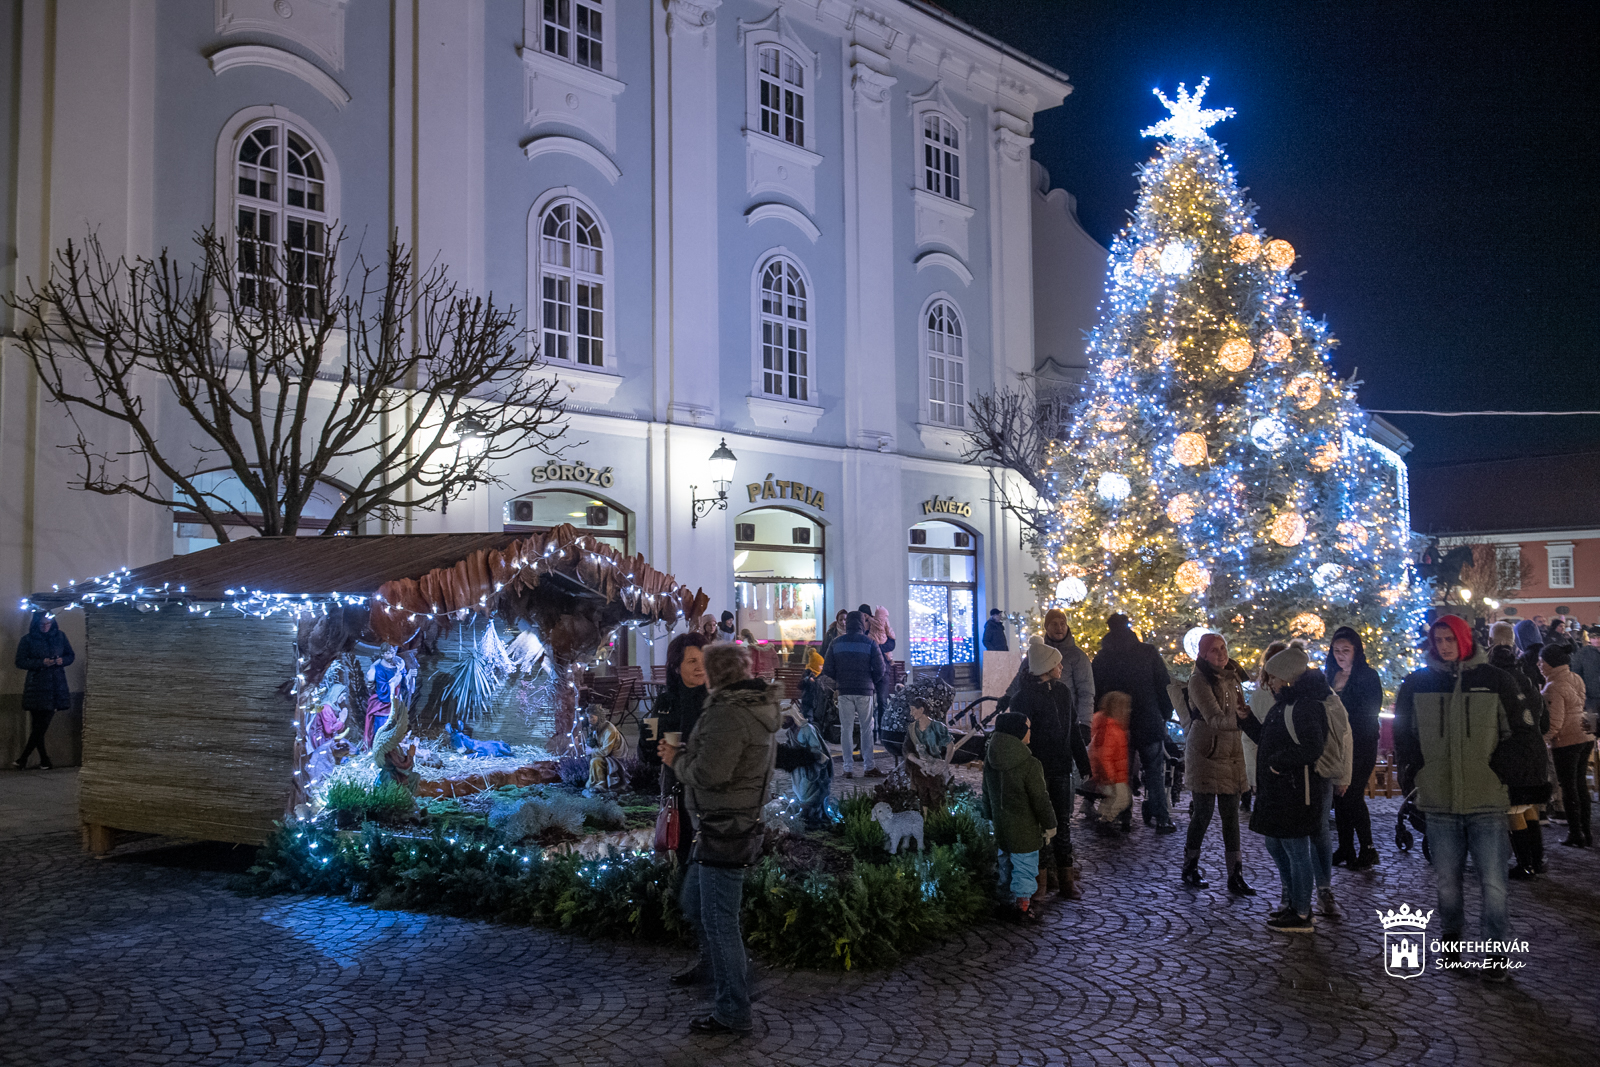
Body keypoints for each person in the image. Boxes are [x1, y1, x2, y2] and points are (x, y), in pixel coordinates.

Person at [659, 642, 780, 1036]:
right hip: (723, 824)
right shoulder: (742, 706)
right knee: (695, 902)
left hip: (725, 827)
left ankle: (733, 1006)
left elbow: (712, 772)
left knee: (719, 919)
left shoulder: (730, 713)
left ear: (716, 673)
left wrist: (675, 760)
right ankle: (722, 969)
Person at [1394, 615, 1522, 981]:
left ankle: (1496, 954)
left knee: (1494, 883)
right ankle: (1452, 947)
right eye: (1439, 639)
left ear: (1464, 639)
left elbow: (1517, 736)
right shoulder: (1418, 683)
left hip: (1486, 799)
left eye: (1450, 638)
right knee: (1446, 883)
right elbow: (1405, 738)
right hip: (1439, 800)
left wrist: (1502, 777)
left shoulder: (1494, 680)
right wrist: (1414, 777)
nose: (1445, 645)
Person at [1237, 646, 1329, 934]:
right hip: (1279, 789)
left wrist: (1278, 763)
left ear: (1287, 678)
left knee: (1295, 848)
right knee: (1276, 843)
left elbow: (1312, 747)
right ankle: (1294, 903)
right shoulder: (1286, 704)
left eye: (1273, 677)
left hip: (1294, 790)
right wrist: (1247, 719)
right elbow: (1268, 737)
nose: (1269, 683)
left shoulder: (1304, 706)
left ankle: (1301, 911)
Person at [1009, 636, 1092, 900]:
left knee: (1063, 823)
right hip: (1037, 769)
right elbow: (1018, 737)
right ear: (1046, 666)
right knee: (1041, 826)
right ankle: (1042, 882)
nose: (1062, 667)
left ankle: (1066, 881)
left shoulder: (1062, 692)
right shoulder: (1023, 698)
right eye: (1057, 663)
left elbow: (1073, 731)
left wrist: (1083, 763)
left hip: (1061, 768)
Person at [1180, 633, 1254, 896]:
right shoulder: (1198, 681)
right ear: (1202, 655)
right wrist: (1244, 723)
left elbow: (1238, 709)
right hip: (1207, 752)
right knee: (1203, 812)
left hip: (1232, 751)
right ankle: (1190, 866)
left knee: (1231, 816)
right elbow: (1213, 717)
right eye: (1214, 650)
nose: (1221, 654)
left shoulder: (1233, 676)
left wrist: (1245, 718)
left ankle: (1235, 874)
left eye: (1223, 648)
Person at [1092, 613, 1177, 833]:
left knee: (1122, 773)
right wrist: (1165, 712)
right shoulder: (1147, 652)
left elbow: (1096, 691)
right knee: (1154, 772)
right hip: (1148, 719)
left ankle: (1124, 816)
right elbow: (1163, 684)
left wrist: (1099, 719)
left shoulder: (1102, 658)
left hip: (1117, 723)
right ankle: (1162, 818)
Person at [980, 712, 1057, 924]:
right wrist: (1050, 825)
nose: (1030, 732)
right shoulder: (1030, 764)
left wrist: (988, 817)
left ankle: (1005, 903)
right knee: (1025, 868)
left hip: (1001, 827)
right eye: (1028, 728)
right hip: (1025, 830)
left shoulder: (991, 758)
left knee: (1005, 866)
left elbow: (986, 791)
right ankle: (1023, 908)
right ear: (1018, 732)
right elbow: (1040, 799)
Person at [641, 632, 710, 864]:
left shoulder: (716, 702)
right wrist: (649, 739)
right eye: (692, 661)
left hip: (707, 795)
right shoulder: (666, 702)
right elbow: (648, 756)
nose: (701, 667)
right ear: (676, 667)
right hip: (676, 796)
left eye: (704, 660)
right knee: (681, 855)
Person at [1326, 627, 1385, 871]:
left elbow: (1370, 711)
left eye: (1346, 651)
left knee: (1352, 793)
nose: (1341, 655)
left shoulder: (1368, 676)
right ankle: (1345, 846)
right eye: (1337, 650)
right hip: (1336, 745)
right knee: (1339, 796)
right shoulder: (1330, 675)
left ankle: (1368, 847)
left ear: (1356, 651)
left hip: (1361, 743)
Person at [1541, 643, 1594, 848]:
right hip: (1585, 735)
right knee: (1580, 785)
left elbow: (1555, 723)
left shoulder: (1552, 687)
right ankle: (1586, 831)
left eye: (1542, 661)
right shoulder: (1575, 678)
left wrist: (1543, 740)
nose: (1539, 665)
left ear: (1550, 663)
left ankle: (1575, 833)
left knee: (1568, 787)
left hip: (1567, 741)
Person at [1002, 610, 1095, 727]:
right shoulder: (1037, 652)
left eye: (1062, 624)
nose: (1059, 628)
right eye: (1054, 624)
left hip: (1065, 719)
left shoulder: (1077, 656)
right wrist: (1008, 696)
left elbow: (1086, 692)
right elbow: (1022, 675)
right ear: (1046, 627)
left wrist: (1085, 723)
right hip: (1037, 717)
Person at [821, 611, 884, 778]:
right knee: (866, 729)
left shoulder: (836, 642)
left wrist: (840, 679)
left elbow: (827, 668)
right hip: (865, 691)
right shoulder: (870, 642)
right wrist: (871, 682)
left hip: (844, 691)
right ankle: (868, 766)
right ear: (862, 624)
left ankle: (847, 768)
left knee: (846, 729)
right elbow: (880, 669)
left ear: (847, 624)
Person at [13, 612, 74, 770]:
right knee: (38, 726)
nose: (45, 627)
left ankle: (24, 758)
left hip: (55, 685)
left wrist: (62, 661)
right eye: (42, 624)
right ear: (36, 624)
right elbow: (20, 661)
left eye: (48, 624)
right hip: (36, 685)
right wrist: (41, 663)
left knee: (41, 725)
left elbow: (70, 655)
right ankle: (44, 761)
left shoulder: (60, 636)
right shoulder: (27, 639)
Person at [1243, 641, 1291, 814]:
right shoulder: (1260, 697)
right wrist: (1254, 776)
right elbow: (1252, 739)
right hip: (1269, 771)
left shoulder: (1301, 697)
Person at [777, 706, 832, 827]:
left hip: (809, 766)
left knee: (807, 791)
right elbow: (790, 744)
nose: (783, 722)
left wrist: (805, 754)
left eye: (785, 719)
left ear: (792, 717)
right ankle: (805, 814)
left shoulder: (807, 729)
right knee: (799, 790)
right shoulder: (791, 731)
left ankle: (811, 814)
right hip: (799, 767)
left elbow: (816, 748)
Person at [1089, 692, 1132, 835]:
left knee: (1114, 799)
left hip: (1114, 774)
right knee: (1121, 799)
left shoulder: (1108, 726)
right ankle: (1105, 821)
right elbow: (1104, 755)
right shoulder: (1112, 729)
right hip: (1113, 776)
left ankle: (1104, 820)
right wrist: (1108, 774)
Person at [902, 699, 953, 810]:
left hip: (935, 770)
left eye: (913, 710)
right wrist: (918, 762)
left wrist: (945, 765)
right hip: (919, 769)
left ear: (921, 709)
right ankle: (925, 822)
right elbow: (907, 750)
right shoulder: (912, 729)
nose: (911, 713)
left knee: (937, 798)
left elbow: (950, 745)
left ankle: (938, 822)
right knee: (923, 797)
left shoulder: (938, 727)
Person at [867, 606, 897, 718]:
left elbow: (891, 644)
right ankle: (876, 727)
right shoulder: (867, 631)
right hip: (870, 670)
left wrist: (877, 648)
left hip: (882, 669)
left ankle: (881, 728)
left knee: (882, 700)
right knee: (870, 701)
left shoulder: (874, 626)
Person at [1571, 626, 1600, 719]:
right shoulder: (1583, 653)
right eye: (1594, 638)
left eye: (1599, 637)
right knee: (1593, 720)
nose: (1597, 640)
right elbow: (1576, 673)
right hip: (1591, 693)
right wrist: (1580, 691)